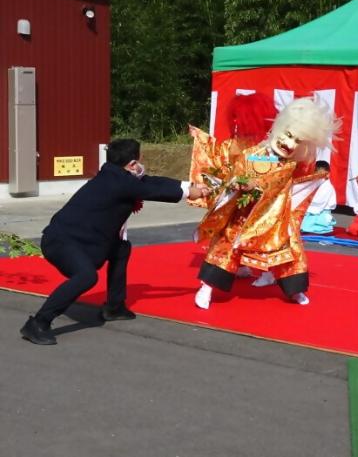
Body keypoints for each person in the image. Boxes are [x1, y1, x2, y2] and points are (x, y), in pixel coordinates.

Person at [20, 138, 211, 345]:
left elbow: (150, 182)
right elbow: (151, 190)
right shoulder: (120, 182)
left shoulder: (114, 175)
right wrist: (191, 193)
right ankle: (38, 323)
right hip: (62, 242)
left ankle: (114, 306)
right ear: (131, 164)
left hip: (80, 238)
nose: (141, 164)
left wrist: (189, 186)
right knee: (86, 277)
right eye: (139, 159)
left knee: (120, 249)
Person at [193, 98, 339, 309]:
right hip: (245, 216)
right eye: (289, 135)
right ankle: (206, 288)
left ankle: (295, 289)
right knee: (226, 246)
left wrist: (315, 178)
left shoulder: (291, 165)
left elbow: (296, 184)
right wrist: (242, 185)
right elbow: (233, 181)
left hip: (275, 217)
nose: (289, 144)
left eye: (298, 141)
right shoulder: (249, 156)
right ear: (279, 128)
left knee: (291, 250)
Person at [189, 92, 277, 287]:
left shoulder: (265, 147)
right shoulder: (232, 144)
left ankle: (269, 270)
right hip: (236, 198)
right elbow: (217, 160)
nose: (236, 120)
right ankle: (240, 267)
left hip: (258, 199)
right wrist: (201, 138)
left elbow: (271, 174)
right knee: (230, 235)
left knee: (261, 234)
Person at [300, 160, 337, 234]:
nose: (319, 177)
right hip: (309, 211)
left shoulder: (328, 187)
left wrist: (306, 199)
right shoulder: (314, 183)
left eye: (322, 175)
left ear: (328, 174)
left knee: (304, 227)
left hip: (319, 212)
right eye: (317, 174)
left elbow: (319, 202)